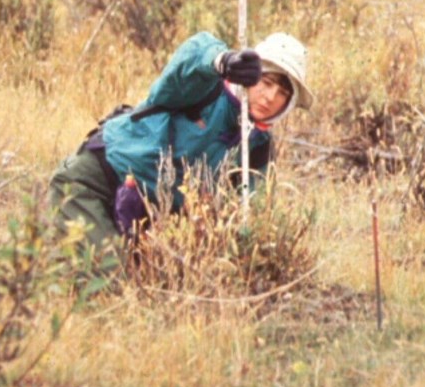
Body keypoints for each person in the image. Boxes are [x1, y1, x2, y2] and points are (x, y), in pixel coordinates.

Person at [51, 31, 313, 247]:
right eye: (265, 82)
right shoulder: (205, 88)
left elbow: (251, 213)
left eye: (282, 93)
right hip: (95, 183)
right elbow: (194, 54)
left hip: (140, 217)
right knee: (107, 282)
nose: (270, 98)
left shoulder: (258, 147)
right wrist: (222, 61)